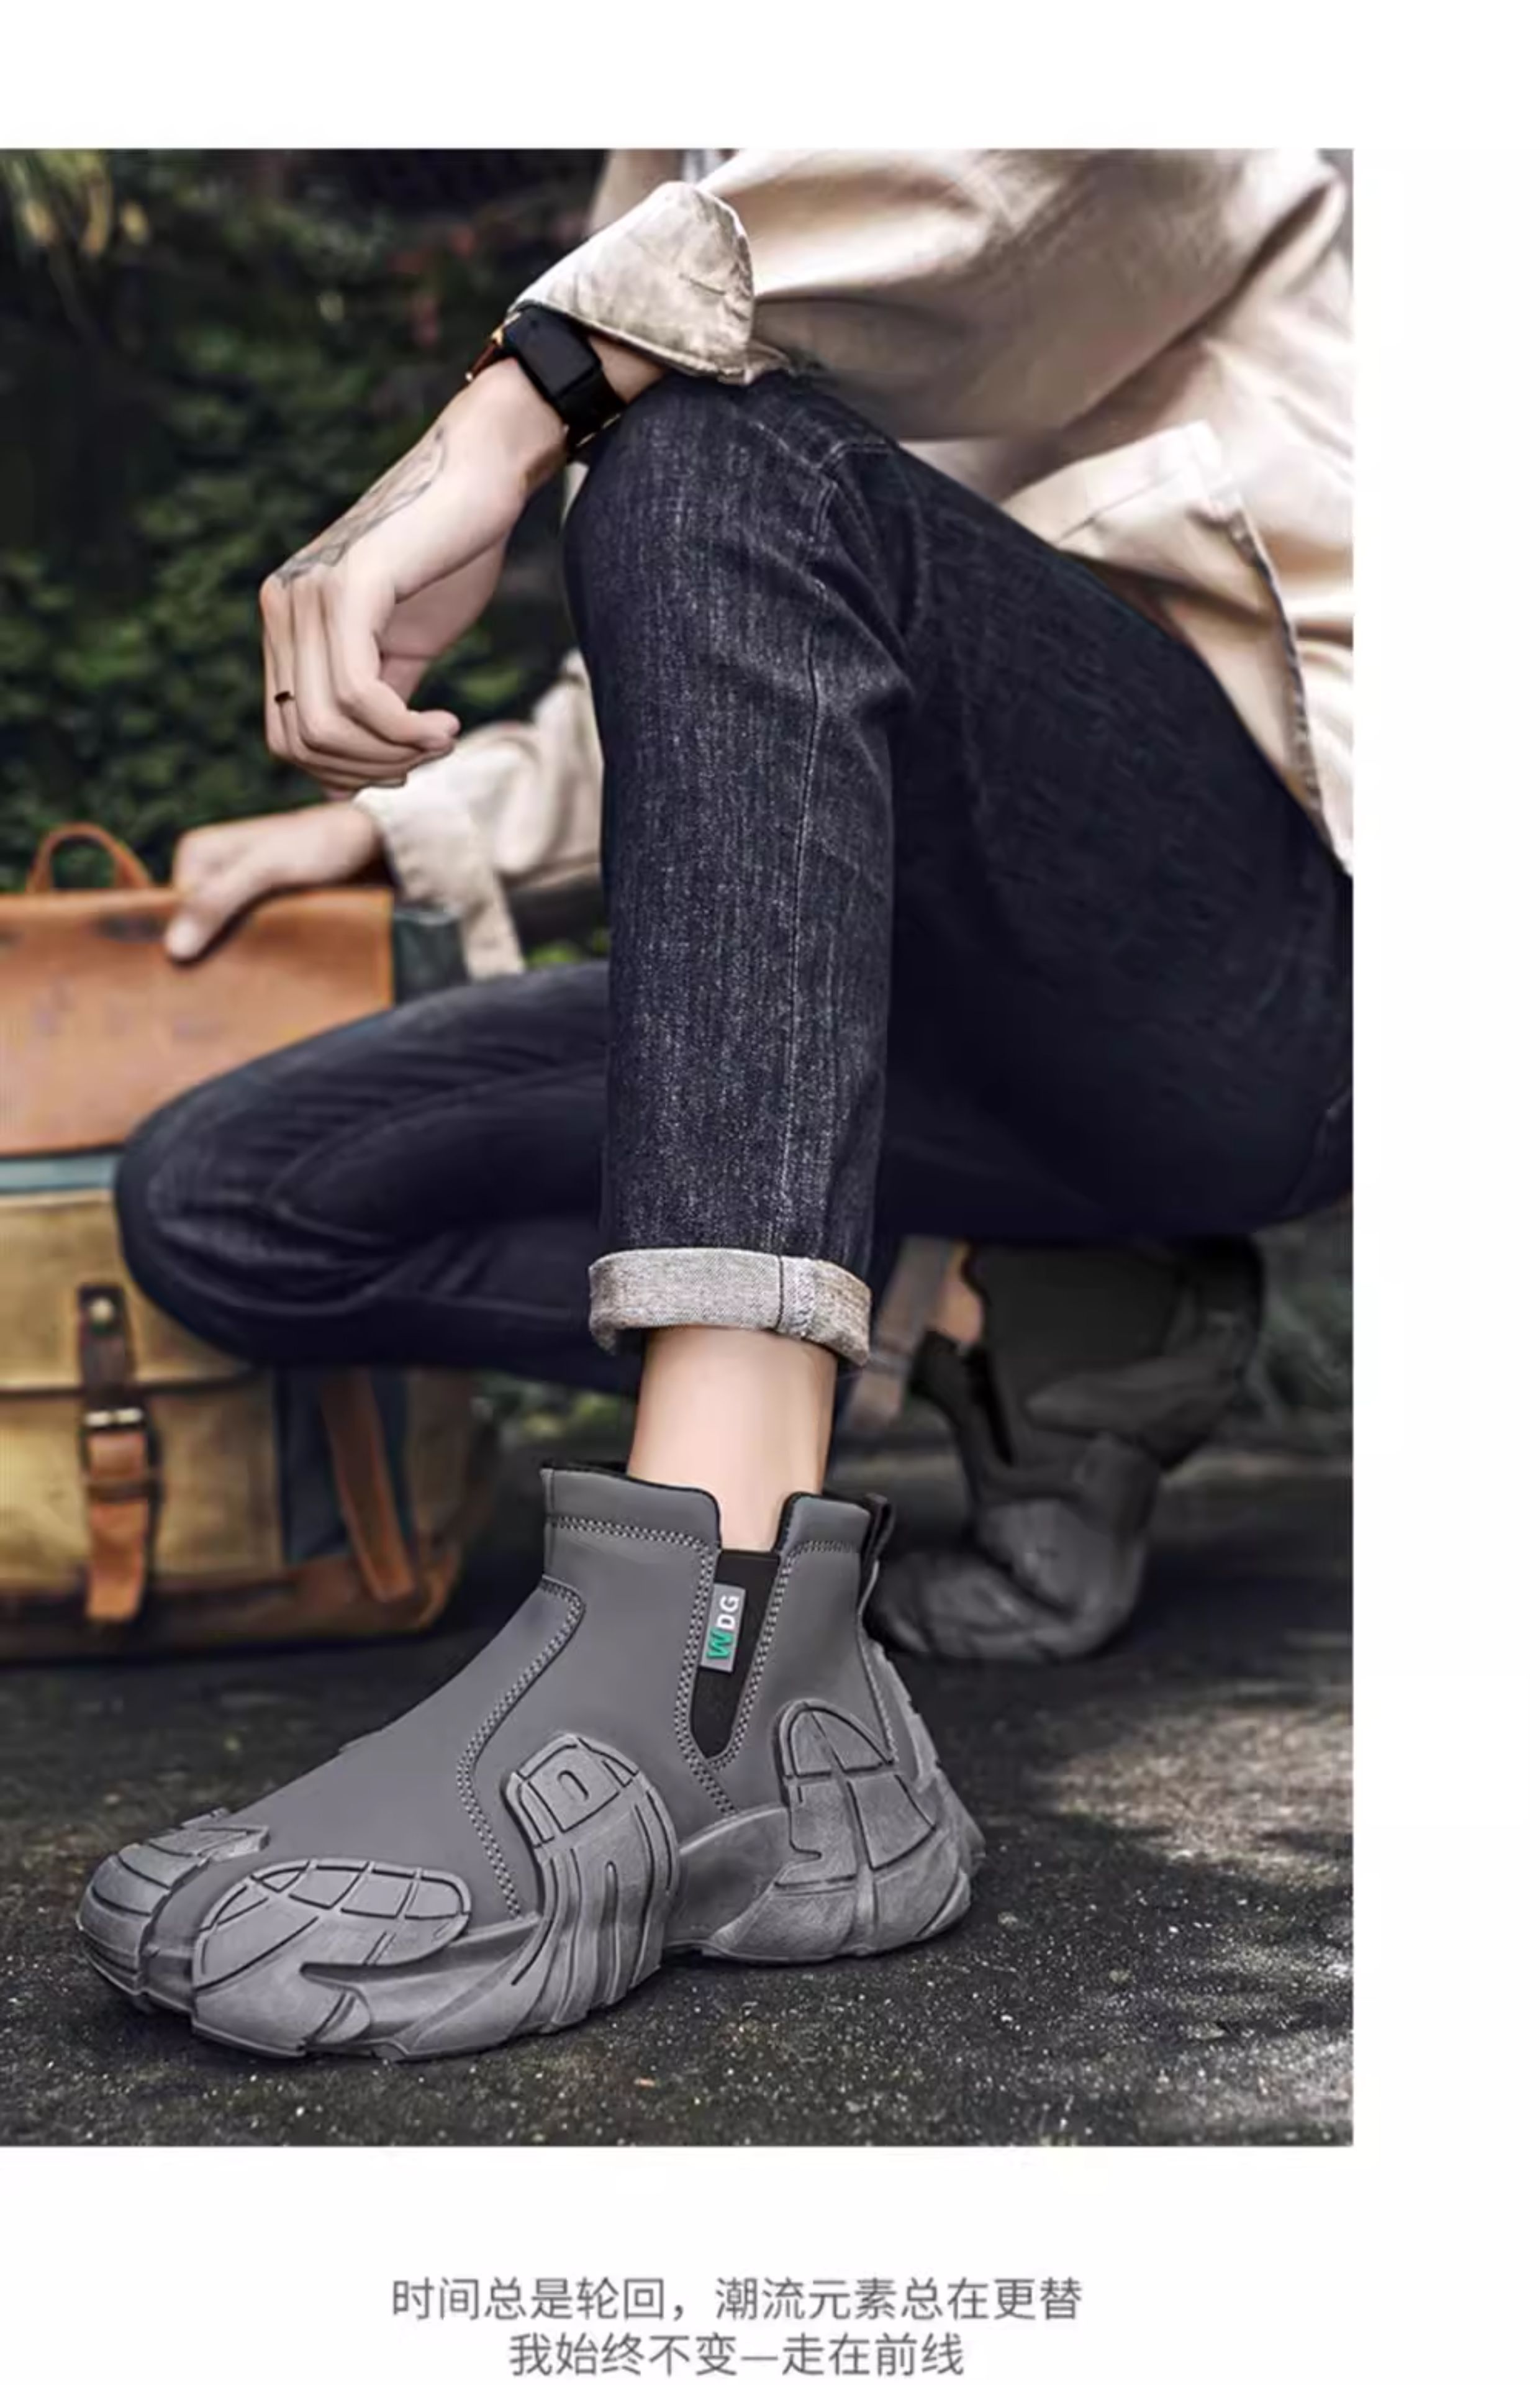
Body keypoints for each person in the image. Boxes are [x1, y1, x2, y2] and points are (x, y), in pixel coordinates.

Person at [80, 150, 1352, 2063]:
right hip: (877, 1003)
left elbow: (1057, 176)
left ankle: (708, 1629)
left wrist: (527, 397)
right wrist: (392, 832)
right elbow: (722, 668)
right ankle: (1015, 1330)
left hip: (1248, 962)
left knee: (700, 451)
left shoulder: (666, 318)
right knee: (233, 1194)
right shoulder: (661, 143)